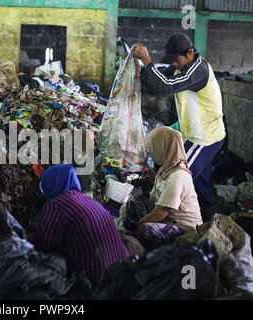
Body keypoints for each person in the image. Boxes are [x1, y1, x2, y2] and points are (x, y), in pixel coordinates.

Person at [133, 32, 226, 221]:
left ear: (190, 53)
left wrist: (147, 60)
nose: (174, 64)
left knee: (178, 176)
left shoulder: (198, 70)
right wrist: (137, 69)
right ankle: (208, 224)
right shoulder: (181, 66)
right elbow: (157, 80)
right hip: (190, 130)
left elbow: (165, 86)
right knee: (199, 184)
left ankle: (164, 217)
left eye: (176, 60)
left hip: (203, 138)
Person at [32, 164, 131, 287]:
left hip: (97, 280)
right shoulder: (90, 201)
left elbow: (42, 245)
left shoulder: (56, 205)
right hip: (124, 271)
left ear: (50, 184)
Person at [137, 126, 203, 249]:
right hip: (168, 221)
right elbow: (152, 199)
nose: (151, 153)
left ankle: (159, 255)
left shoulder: (178, 177)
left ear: (164, 148)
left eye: (153, 149)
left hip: (185, 232)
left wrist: (136, 225)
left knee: (145, 230)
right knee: (134, 205)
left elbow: (159, 215)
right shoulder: (164, 170)